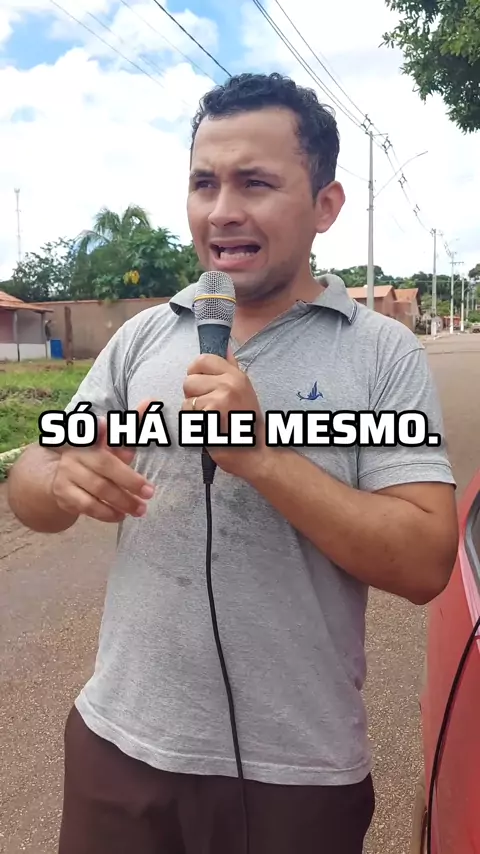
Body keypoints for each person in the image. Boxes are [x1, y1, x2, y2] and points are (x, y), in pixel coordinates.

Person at [7, 72, 459, 854]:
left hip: (297, 776)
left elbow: (425, 559)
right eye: (203, 183)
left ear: (325, 206)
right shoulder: (143, 336)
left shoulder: (381, 353)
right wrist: (57, 479)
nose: (222, 211)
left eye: (255, 182)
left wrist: (263, 458)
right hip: (120, 749)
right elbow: (29, 484)